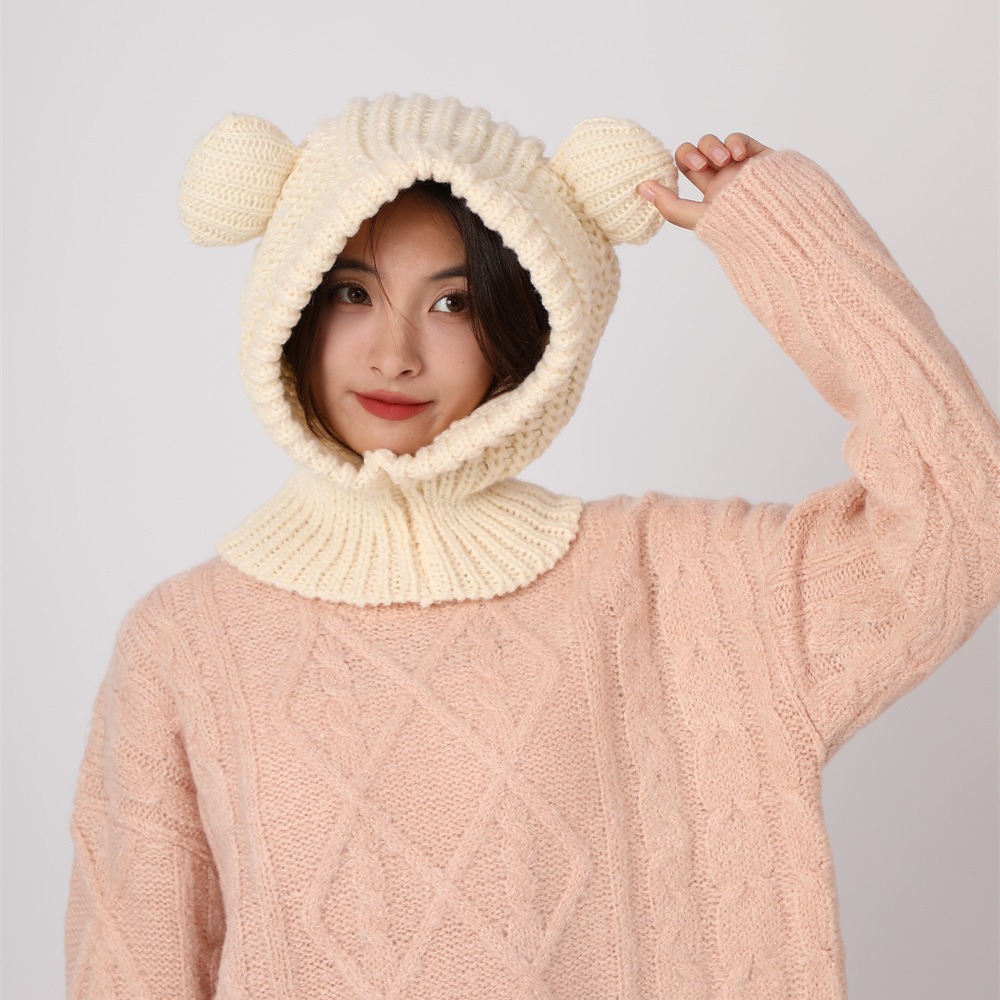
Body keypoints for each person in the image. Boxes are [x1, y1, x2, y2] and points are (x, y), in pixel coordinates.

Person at [65, 95, 1000, 999]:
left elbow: (962, 521)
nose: (394, 353)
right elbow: (131, 970)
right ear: (290, 305)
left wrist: (788, 238)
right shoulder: (187, 640)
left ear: (523, 332)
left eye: (453, 303)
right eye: (353, 292)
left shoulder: (670, 584)